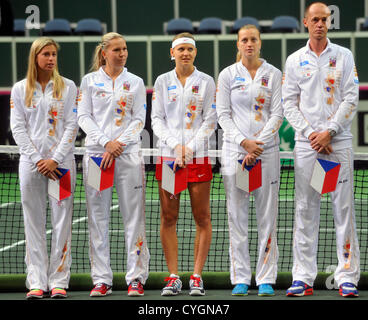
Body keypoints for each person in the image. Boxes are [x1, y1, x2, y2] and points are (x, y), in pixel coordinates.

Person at [282, 2, 360, 297]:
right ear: (305, 22)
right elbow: (289, 103)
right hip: (307, 147)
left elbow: (350, 99)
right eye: (314, 19)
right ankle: (303, 277)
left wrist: (330, 131)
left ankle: (347, 276)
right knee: (305, 209)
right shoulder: (294, 60)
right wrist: (311, 133)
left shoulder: (344, 56)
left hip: (337, 145)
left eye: (324, 19)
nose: (319, 24)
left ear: (329, 21)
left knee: (344, 209)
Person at [77, 32, 150, 297]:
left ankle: (136, 278)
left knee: (134, 218)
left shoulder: (136, 82)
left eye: (125, 49)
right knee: (98, 218)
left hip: (128, 156)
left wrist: (118, 144)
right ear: (104, 53)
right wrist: (105, 142)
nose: (122, 53)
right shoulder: (89, 82)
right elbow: (83, 117)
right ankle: (101, 279)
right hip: (97, 157)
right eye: (117, 49)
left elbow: (139, 119)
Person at [216, 24, 283, 297]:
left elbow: (277, 114)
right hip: (235, 154)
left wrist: (258, 146)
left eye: (253, 39)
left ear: (259, 43)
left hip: (266, 154)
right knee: (237, 218)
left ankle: (266, 277)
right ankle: (241, 278)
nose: (249, 44)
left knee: (268, 217)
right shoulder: (227, 75)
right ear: (238, 44)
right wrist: (244, 143)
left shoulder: (274, 74)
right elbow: (222, 114)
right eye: (244, 40)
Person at [10, 37, 78, 299]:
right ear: (35, 57)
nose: (51, 58)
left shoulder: (69, 86)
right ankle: (37, 281)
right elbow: (18, 128)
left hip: (61, 166)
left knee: (62, 223)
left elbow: (72, 126)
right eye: (46, 54)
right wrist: (38, 159)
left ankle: (59, 280)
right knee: (33, 223)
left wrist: (55, 159)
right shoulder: (20, 89)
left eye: (54, 54)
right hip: (31, 166)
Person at [151, 32, 217, 296]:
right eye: (181, 50)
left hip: (198, 158)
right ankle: (173, 277)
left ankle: (197, 277)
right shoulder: (161, 81)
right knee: (169, 217)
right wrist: (175, 147)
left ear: (195, 53)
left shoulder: (207, 81)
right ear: (172, 53)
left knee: (202, 217)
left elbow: (210, 120)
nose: (185, 53)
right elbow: (156, 120)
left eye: (190, 49)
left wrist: (189, 148)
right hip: (169, 160)